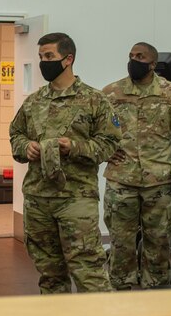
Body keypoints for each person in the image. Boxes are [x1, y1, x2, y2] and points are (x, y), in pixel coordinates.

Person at [9, 32, 121, 294]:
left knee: (88, 271)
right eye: (40, 57)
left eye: (49, 56)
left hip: (75, 199)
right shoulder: (34, 102)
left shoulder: (94, 100)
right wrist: (27, 148)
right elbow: (16, 135)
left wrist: (75, 147)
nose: (43, 62)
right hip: (38, 198)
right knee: (49, 273)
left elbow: (110, 144)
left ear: (68, 59)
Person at [102, 42, 171, 289]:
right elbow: (89, 124)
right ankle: (120, 287)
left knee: (158, 241)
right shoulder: (111, 92)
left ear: (152, 64)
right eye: (130, 56)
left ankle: (156, 289)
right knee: (120, 241)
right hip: (121, 180)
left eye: (139, 56)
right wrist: (103, 151)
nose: (133, 60)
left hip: (159, 180)